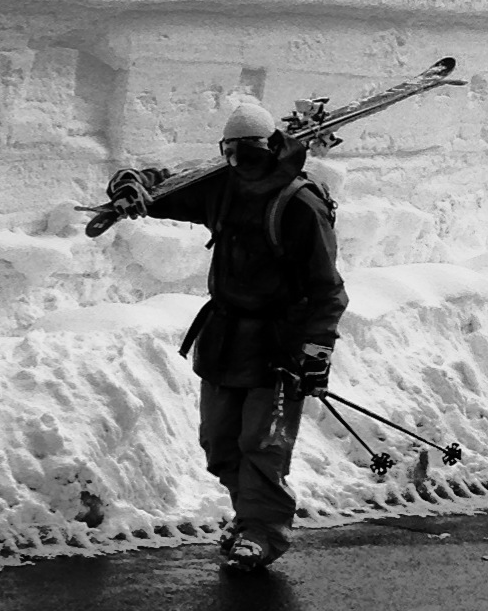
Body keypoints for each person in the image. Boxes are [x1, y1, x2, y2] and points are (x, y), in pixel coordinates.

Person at [119, 97, 347, 572]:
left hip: (279, 345)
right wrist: (136, 186)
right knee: (219, 444)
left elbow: (328, 291)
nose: (241, 162)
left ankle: (261, 531)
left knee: (262, 445)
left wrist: (316, 352)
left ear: (273, 147)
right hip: (224, 337)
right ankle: (250, 517)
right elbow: (173, 188)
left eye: (251, 151)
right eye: (232, 152)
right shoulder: (222, 188)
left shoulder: (301, 204)